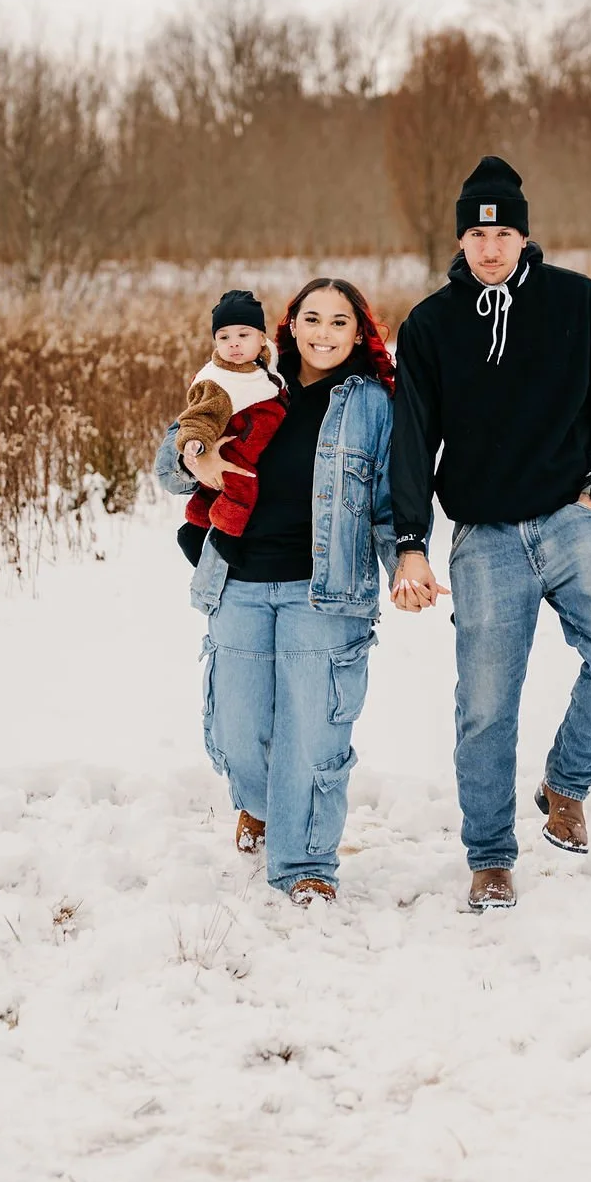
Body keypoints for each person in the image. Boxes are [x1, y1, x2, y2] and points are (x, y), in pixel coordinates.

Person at [389, 156, 591, 912]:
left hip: (571, 519)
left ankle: (565, 785)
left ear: (523, 235)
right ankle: (490, 857)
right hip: (486, 535)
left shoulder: (579, 303)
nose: (490, 245)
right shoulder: (433, 325)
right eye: (477, 232)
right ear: (462, 241)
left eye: (502, 231)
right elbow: (412, 439)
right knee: (485, 704)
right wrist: (412, 540)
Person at [155, 279, 397, 906]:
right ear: (286, 327)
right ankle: (260, 805)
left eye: (338, 322)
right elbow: (165, 466)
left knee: (313, 732)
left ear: (359, 331)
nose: (322, 333)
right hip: (236, 579)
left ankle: (306, 860)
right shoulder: (246, 379)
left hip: (325, 592)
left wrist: (408, 560)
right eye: (310, 319)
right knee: (237, 726)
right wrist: (194, 457)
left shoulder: (375, 403)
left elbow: (393, 498)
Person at [173, 289, 287, 568]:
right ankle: (225, 534)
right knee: (242, 485)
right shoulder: (217, 380)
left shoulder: (263, 362)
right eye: (224, 337)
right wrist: (194, 443)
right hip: (233, 447)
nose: (234, 344)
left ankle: (194, 529)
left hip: (251, 442)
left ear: (262, 338)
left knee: (211, 493)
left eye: (243, 335)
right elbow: (199, 417)